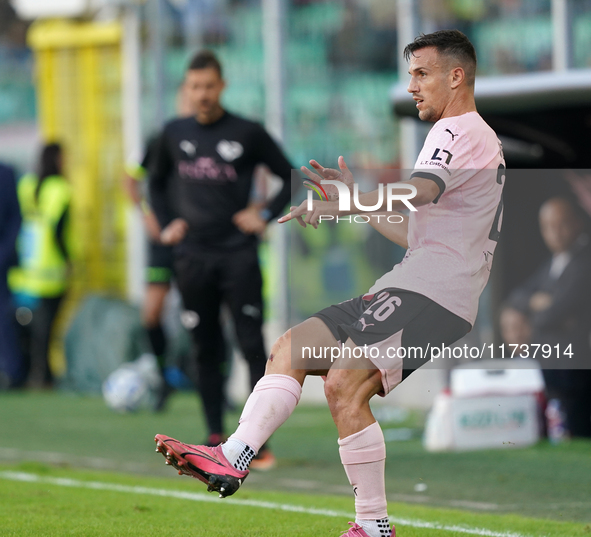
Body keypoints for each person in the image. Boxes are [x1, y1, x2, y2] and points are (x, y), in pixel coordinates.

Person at [155, 30, 505, 537]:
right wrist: (352, 204)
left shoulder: (459, 131)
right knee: (291, 349)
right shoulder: (464, 136)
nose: (412, 86)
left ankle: (373, 526)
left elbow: (421, 191)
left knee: (344, 383)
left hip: (436, 293)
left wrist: (356, 198)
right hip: (412, 282)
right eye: (410, 75)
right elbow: (416, 229)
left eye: (422, 74)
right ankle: (234, 455)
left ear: (456, 76)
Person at [149, 51, 293, 467]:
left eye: (209, 86)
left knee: (251, 345)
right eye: (195, 87)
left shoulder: (247, 132)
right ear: (187, 89)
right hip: (193, 257)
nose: (203, 94)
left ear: (222, 86)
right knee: (203, 345)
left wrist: (263, 213)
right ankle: (214, 431)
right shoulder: (173, 133)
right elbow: (154, 183)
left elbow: (289, 175)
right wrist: (167, 221)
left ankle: (256, 442)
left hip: (238, 255)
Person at [124, 84, 195, 410]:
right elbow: (131, 178)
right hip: (164, 241)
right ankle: (164, 379)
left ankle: (215, 386)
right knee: (150, 313)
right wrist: (147, 216)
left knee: (204, 313)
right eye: (189, 93)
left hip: (198, 239)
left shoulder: (212, 141)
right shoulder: (161, 139)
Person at [509, 197, 591, 438]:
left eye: (561, 224)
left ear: (577, 223)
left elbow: (556, 312)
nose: (554, 232)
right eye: (548, 226)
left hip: (574, 368)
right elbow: (519, 296)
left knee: (576, 429)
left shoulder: (585, 261)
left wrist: (537, 311)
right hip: (552, 363)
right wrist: (538, 303)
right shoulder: (552, 262)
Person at [9, 142, 71, 388]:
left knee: (27, 326)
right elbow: (59, 230)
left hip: (26, 268)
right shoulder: (60, 189)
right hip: (51, 270)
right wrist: (67, 260)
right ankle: (44, 375)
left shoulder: (26, 184)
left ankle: (29, 371)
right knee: (47, 329)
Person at [0, 161, 22, 388]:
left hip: (0, 259)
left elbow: (15, 218)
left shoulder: (6, 173)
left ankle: (11, 372)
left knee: (3, 318)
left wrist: (4, 254)